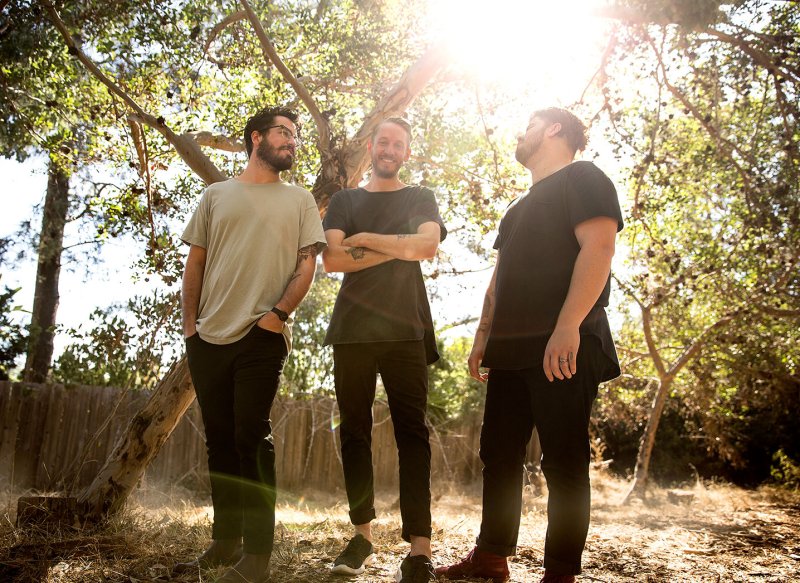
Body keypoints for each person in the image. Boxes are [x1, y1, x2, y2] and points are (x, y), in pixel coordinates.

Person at [435, 107, 624, 583]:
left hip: (563, 345)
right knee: (498, 455)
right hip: (511, 351)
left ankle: (560, 572)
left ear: (554, 128)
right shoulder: (517, 208)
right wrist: (482, 336)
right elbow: (499, 280)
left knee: (562, 459)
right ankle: (492, 557)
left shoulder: (584, 178)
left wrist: (567, 327)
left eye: (529, 125)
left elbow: (599, 248)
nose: (521, 133)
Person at [175, 106, 326, 583]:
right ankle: (224, 543)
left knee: (250, 437)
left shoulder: (299, 200)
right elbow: (195, 263)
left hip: (262, 335)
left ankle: (257, 557)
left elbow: (308, 266)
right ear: (256, 137)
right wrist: (189, 329)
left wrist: (277, 315)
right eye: (284, 133)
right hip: (207, 337)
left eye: (296, 136)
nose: (292, 141)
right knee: (219, 442)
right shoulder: (216, 195)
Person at [321, 117, 447, 583]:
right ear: (371, 147)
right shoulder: (346, 200)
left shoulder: (419, 198)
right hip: (352, 330)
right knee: (353, 431)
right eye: (384, 142)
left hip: (405, 329)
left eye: (399, 144)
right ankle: (362, 535)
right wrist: (403, 246)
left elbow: (429, 246)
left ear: (406, 153)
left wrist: (370, 239)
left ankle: (419, 549)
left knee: (412, 434)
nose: (390, 149)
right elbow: (332, 259)